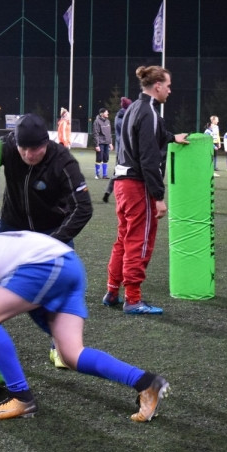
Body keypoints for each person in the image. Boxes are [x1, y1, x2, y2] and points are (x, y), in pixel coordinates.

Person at [0, 231, 170, 422]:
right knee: (71, 354)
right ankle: (145, 382)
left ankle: (21, 397)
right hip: (66, 264)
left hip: (46, 264)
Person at [0, 113, 93, 369]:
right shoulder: (6, 147)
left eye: (35, 148)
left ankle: (59, 346)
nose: (28, 154)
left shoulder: (63, 162)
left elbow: (83, 208)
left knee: (58, 291)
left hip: (51, 232)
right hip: (11, 226)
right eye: (23, 148)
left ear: (46, 143)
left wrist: (54, 241)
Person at [105, 65, 189, 315]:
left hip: (121, 183)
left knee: (123, 238)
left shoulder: (132, 108)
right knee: (139, 241)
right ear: (158, 86)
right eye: (169, 85)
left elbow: (154, 136)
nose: (170, 91)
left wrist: (173, 137)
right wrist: (159, 197)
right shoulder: (150, 112)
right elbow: (149, 159)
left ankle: (112, 291)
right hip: (136, 185)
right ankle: (133, 299)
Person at [103, 97, 132, 203]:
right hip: (126, 150)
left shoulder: (118, 117)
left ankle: (108, 192)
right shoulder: (127, 118)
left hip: (120, 149)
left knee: (118, 172)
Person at [92, 107, 113, 180]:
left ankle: (105, 175)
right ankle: (97, 174)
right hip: (100, 143)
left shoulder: (108, 121)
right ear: (102, 114)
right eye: (106, 112)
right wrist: (97, 145)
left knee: (106, 158)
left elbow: (109, 133)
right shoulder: (97, 122)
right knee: (99, 158)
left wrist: (110, 143)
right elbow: (95, 134)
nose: (108, 113)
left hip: (107, 143)